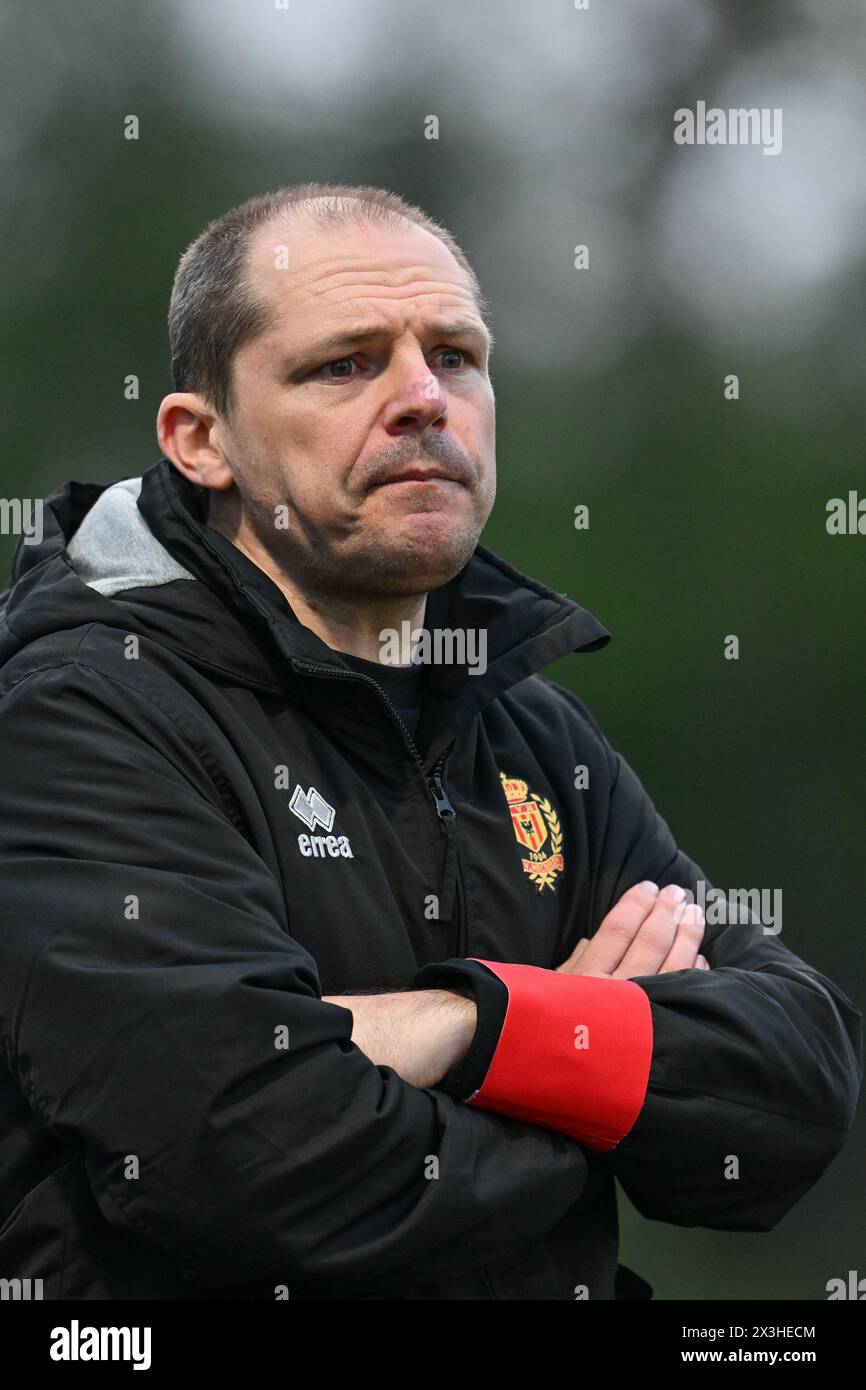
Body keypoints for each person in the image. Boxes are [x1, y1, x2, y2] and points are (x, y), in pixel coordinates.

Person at [0, 183, 860, 1300]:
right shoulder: (76, 713)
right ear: (200, 441)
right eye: (345, 365)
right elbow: (254, 1157)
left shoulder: (527, 720)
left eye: (454, 355)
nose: (421, 398)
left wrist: (475, 1023)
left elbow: (794, 1087)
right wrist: (592, 1078)